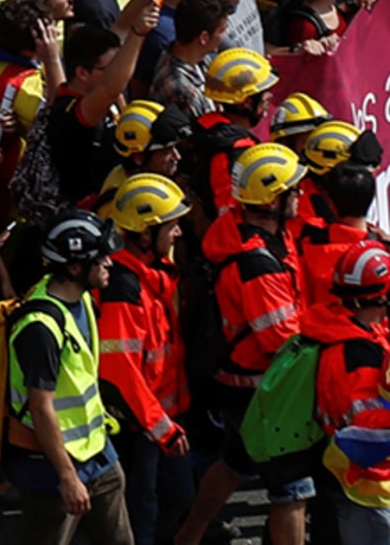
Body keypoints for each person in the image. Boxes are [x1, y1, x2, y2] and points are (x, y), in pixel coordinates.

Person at [171, 144, 312, 545]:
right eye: (293, 189)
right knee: (293, 489)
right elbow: (281, 340)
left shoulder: (252, 235)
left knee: (235, 462)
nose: (300, 194)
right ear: (271, 200)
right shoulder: (257, 263)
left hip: (241, 382)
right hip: (262, 387)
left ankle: (187, 537)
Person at [6, 211, 132, 545]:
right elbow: (41, 406)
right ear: (75, 268)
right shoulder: (40, 328)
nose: (109, 263)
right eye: (100, 258)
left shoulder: (82, 300)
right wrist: (67, 476)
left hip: (98, 454)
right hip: (52, 467)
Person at [100, 175, 193, 545]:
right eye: (172, 226)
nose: (179, 233)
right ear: (144, 233)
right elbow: (120, 370)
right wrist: (161, 428)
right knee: (145, 512)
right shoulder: (124, 288)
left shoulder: (151, 275)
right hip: (143, 426)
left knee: (176, 497)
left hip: (161, 417)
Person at [305, 238, 390, 543]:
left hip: (346, 475)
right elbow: (366, 426)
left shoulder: (340, 328)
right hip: (367, 485)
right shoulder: (357, 355)